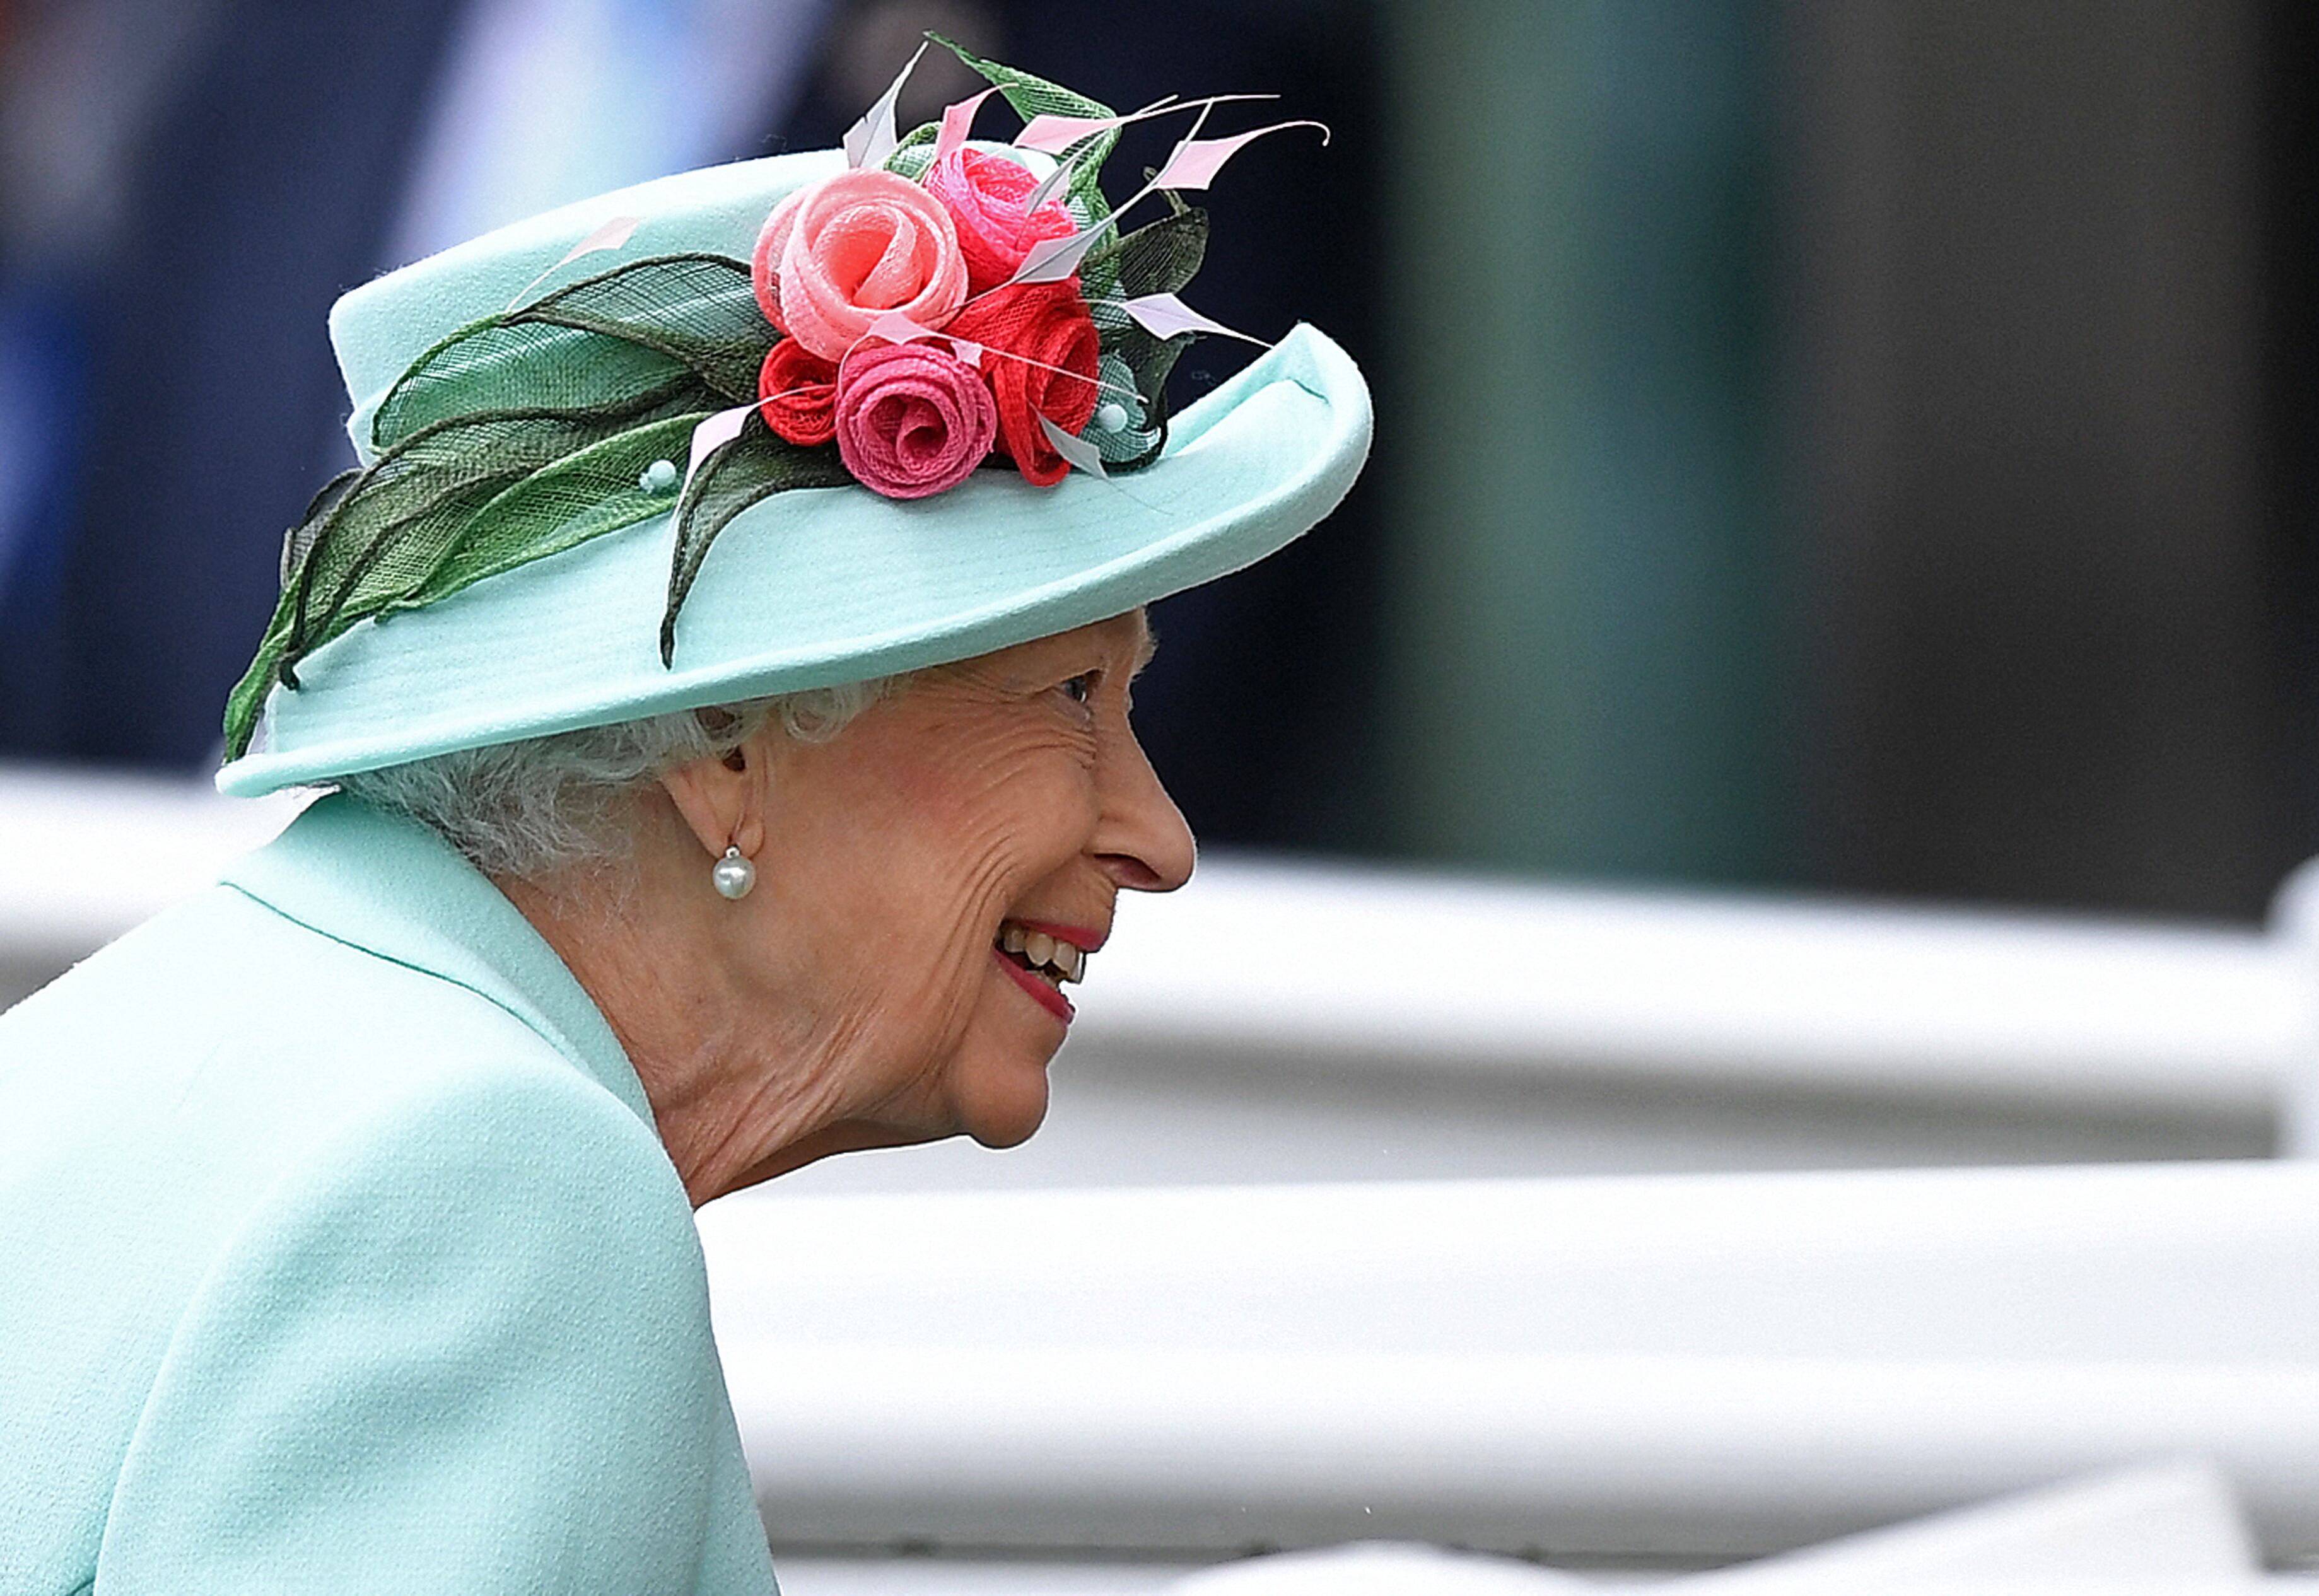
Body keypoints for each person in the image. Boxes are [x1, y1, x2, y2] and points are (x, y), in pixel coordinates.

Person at [0, 44, 1368, 1594]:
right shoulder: (492, 1180)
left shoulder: (207, 1029)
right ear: (722, 746)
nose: (1156, 835)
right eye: (1068, 696)